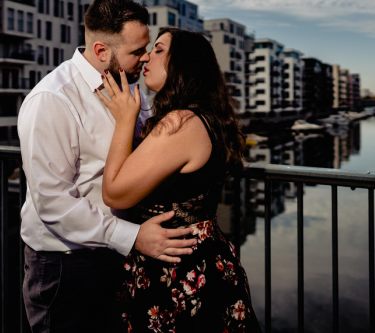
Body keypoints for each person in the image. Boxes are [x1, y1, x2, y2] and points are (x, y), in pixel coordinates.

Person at [19, 0, 197, 333]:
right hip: (67, 266)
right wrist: (133, 237)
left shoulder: (130, 87)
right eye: (137, 51)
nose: (145, 58)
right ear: (101, 50)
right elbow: (53, 203)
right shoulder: (52, 99)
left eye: (148, 47)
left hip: (118, 257)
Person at [96, 27, 262, 332]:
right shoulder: (206, 117)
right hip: (205, 260)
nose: (146, 56)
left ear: (183, 64)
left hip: (177, 269)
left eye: (158, 50)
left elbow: (115, 194)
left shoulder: (179, 122)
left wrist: (124, 120)